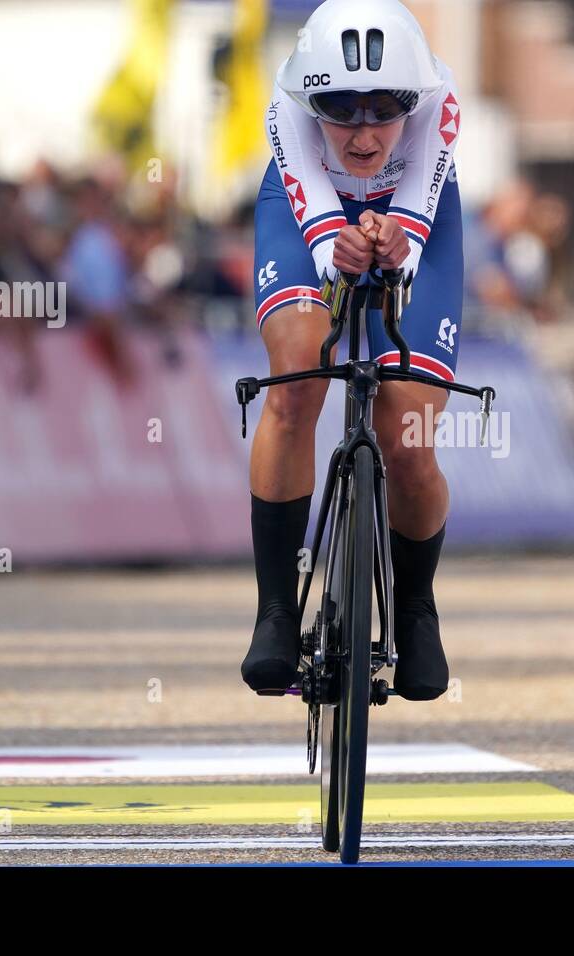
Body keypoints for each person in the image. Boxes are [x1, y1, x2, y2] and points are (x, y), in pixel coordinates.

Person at [241, 0, 463, 701]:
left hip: (416, 208)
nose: (364, 133)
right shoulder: (285, 102)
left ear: (415, 98)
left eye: (383, 108)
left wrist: (403, 241)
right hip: (307, 209)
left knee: (408, 432)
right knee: (299, 376)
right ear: (312, 99)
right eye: (341, 108)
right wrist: (333, 248)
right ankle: (276, 610)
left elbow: (416, 218)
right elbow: (319, 229)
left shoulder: (442, 99)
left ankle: (417, 607)